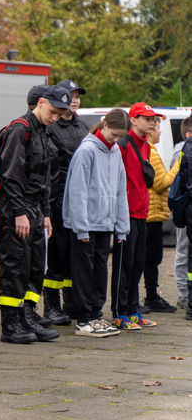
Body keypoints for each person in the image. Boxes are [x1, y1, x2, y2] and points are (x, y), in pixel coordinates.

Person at [0, 85, 70, 344]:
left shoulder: (43, 133)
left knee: (35, 266)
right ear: (40, 103)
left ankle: (27, 316)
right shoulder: (20, 130)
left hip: (37, 209)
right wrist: (19, 212)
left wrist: (47, 213)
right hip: (18, 207)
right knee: (15, 266)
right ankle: (11, 324)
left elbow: (46, 178)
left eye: (60, 115)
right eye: (53, 111)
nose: (55, 118)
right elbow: (11, 175)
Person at [64, 109, 129, 337]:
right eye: (114, 134)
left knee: (100, 269)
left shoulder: (116, 152)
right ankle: (83, 319)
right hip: (87, 224)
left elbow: (121, 191)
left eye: (120, 136)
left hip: (106, 223)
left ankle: (95, 315)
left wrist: (122, 226)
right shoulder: (87, 151)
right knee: (84, 270)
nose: (116, 139)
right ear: (103, 126)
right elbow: (78, 191)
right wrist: (80, 226)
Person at [43, 79, 90, 324]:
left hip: (78, 201)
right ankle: (51, 305)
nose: (74, 99)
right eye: (70, 95)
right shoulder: (51, 127)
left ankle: (71, 302)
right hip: (58, 199)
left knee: (74, 253)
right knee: (57, 255)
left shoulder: (83, 126)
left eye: (77, 96)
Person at [112, 102, 160, 330]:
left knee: (138, 263)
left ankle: (133, 309)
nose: (152, 122)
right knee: (124, 264)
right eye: (147, 118)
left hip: (142, 213)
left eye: (153, 119)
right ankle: (119, 312)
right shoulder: (123, 144)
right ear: (133, 120)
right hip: (125, 215)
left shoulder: (146, 146)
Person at [143, 117, 181, 313]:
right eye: (158, 128)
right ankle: (151, 297)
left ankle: (151, 296)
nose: (160, 132)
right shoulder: (151, 151)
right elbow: (161, 183)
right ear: (150, 131)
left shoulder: (150, 150)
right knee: (151, 260)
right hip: (151, 215)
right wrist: (177, 166)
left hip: (152, 214)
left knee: (151, 259)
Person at [172, 117, 192, 310]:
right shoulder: (181, 150)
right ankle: (183, 294)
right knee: (183, 250)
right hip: (185, 208)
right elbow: (178, 181)